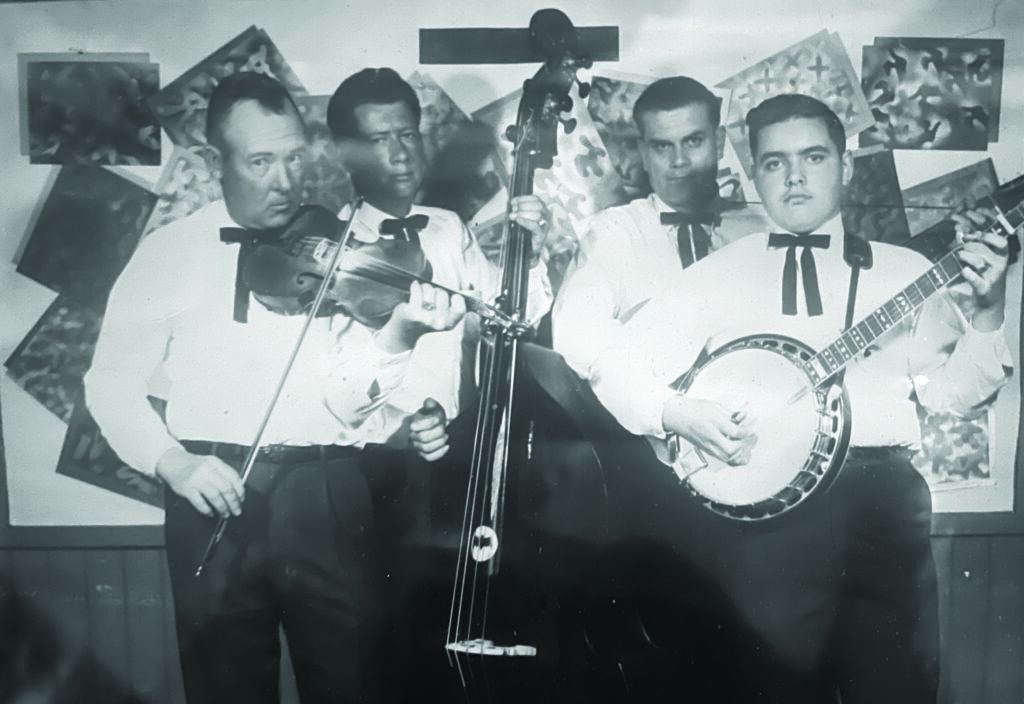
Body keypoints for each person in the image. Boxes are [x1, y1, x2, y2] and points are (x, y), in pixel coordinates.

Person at [574, 94, 1012, 702]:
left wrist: (989, 312)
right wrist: (675, 412)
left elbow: (953, 397)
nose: (795, 177)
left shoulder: (903, 269)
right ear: (754, 173)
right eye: (775, 162)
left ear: (846, 166)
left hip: (883, 504)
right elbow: (613, 362)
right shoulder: (719, 273)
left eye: (814, 157)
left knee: (898, 690)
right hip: (766, 523)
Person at [83, 71, 475, 704]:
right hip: (210, 490)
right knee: (225, 691)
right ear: (217, 161)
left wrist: (398, 336)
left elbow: (348, 403)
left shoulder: (345, 253)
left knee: (352, 686)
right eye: (261, 161)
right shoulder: (168, 252)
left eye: (295, 158)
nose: (286, 181)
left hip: (328, 490)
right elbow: (109, 383)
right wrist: (173, 462)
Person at [552, 75, 771, 379]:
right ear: (643, 154)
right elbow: (574, 337)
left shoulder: (767, 228)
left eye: (693, 141)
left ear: (719, 142)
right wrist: (662, 398)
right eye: (662, 147)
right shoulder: (614, 233)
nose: (679, 160)